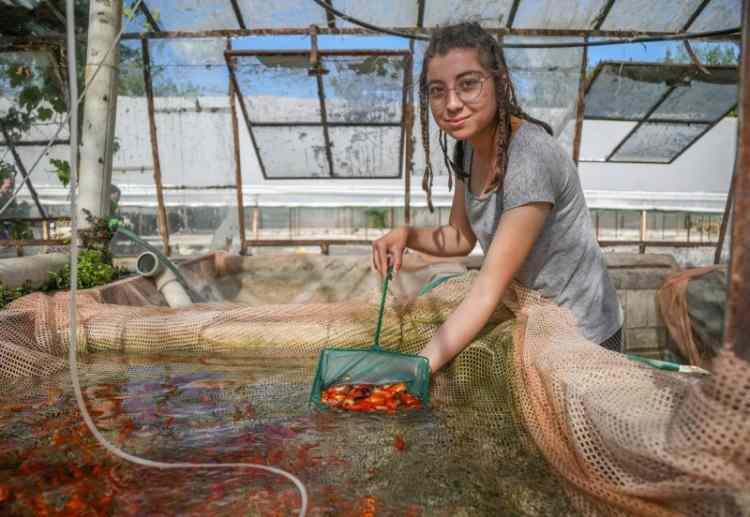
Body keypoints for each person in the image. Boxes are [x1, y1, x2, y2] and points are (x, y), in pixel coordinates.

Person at [372, 23, 623, 373]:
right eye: (437, 91)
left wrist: (414, 369)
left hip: (583, 334)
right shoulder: (468, 150)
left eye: (469, 84)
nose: (452, 104)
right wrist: (408, 234)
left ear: (500, 83)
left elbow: (487, 289)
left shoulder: (530, 157)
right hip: (533, 320)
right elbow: (460, 238)